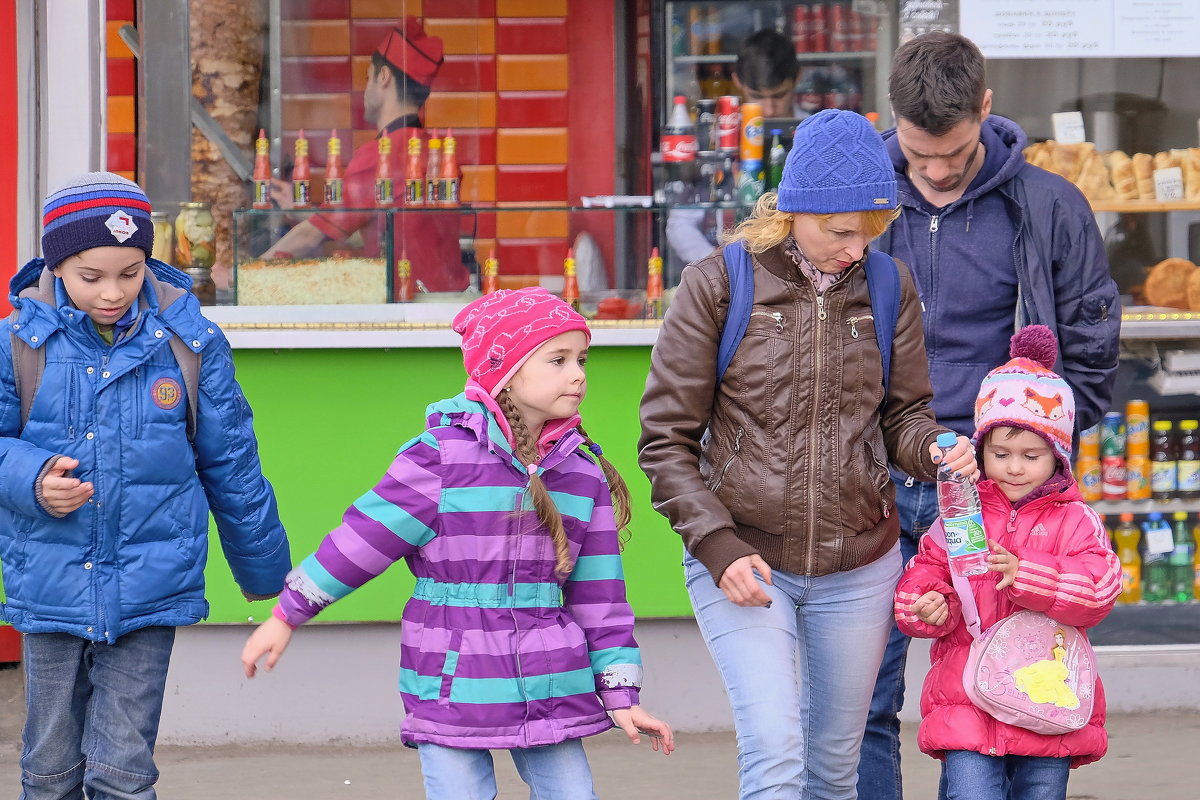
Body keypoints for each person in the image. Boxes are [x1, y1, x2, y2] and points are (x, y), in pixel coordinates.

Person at [638, 108, 977, 800]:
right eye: (839, 231)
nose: (855, 249)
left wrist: (936, 448)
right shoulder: (718, 284)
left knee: (831, 769)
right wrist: (717, 547)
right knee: (775, 748)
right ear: (794, 211)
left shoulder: (888, 288)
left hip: (860, 565)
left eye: (869, 233)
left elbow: (903, 418)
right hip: (746, 560)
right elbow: (665, 442)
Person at [242, 286, 673, 799]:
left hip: (550, 684)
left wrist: (621, 694)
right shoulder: (440, 459)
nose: (577, 374)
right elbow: (362, 539)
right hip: (451, 679)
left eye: (581, 359)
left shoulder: (581, 475)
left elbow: (601, 598)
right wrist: (287, 613)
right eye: (557, 360)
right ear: (503, 370)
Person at [859, 32, 1121, 800]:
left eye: (953, 151)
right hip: (873, 475)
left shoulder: (1050, 205)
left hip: (993, 493)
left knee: (1002, 685)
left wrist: (1031, 463)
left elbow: (1091, 350)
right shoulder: (861, 202)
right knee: (863, 701)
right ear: (891, 121)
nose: (935, 171)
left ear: (986, 109)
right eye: (917, 153)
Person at [0, 172, 291, 799]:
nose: (112, 293)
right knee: (48, 771)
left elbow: (232, 462)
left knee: (124, 772)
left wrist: (267, 573)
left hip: (151, 587)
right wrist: (33, 480)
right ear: (55, 266)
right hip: (49, 587)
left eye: (130, 273)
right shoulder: (16, 345)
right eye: (91, 276)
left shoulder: (191, 344)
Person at [894, 324, 1120, 800]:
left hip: (1046, 699)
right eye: (1001, 453)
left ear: (1059, 457)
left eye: (1031, 455)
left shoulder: (1076, 520)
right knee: (970, 792)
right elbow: (930, 569)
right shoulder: (961, 513)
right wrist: (927, 604)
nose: (1015, 466)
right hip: (970, 696)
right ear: (980, 450)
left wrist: (1027, 575)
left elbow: (1098, 591)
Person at [261, 17, 468, 295]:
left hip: (407, 302)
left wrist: (243, 275)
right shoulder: (436, 151)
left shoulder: (380, 155)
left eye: (368, 76)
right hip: (446, 302)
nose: (365, 89)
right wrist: (307, 212)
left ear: (383, 78)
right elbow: (376, 229)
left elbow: (312, 235)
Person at [666, 28, 801, 268]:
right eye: (757, 96)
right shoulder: (721, 139)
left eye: (779, 95)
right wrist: (722, 269)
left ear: (797, 79)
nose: (769, 109)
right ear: (737, 82)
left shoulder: (812, 134)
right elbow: (680, 224)